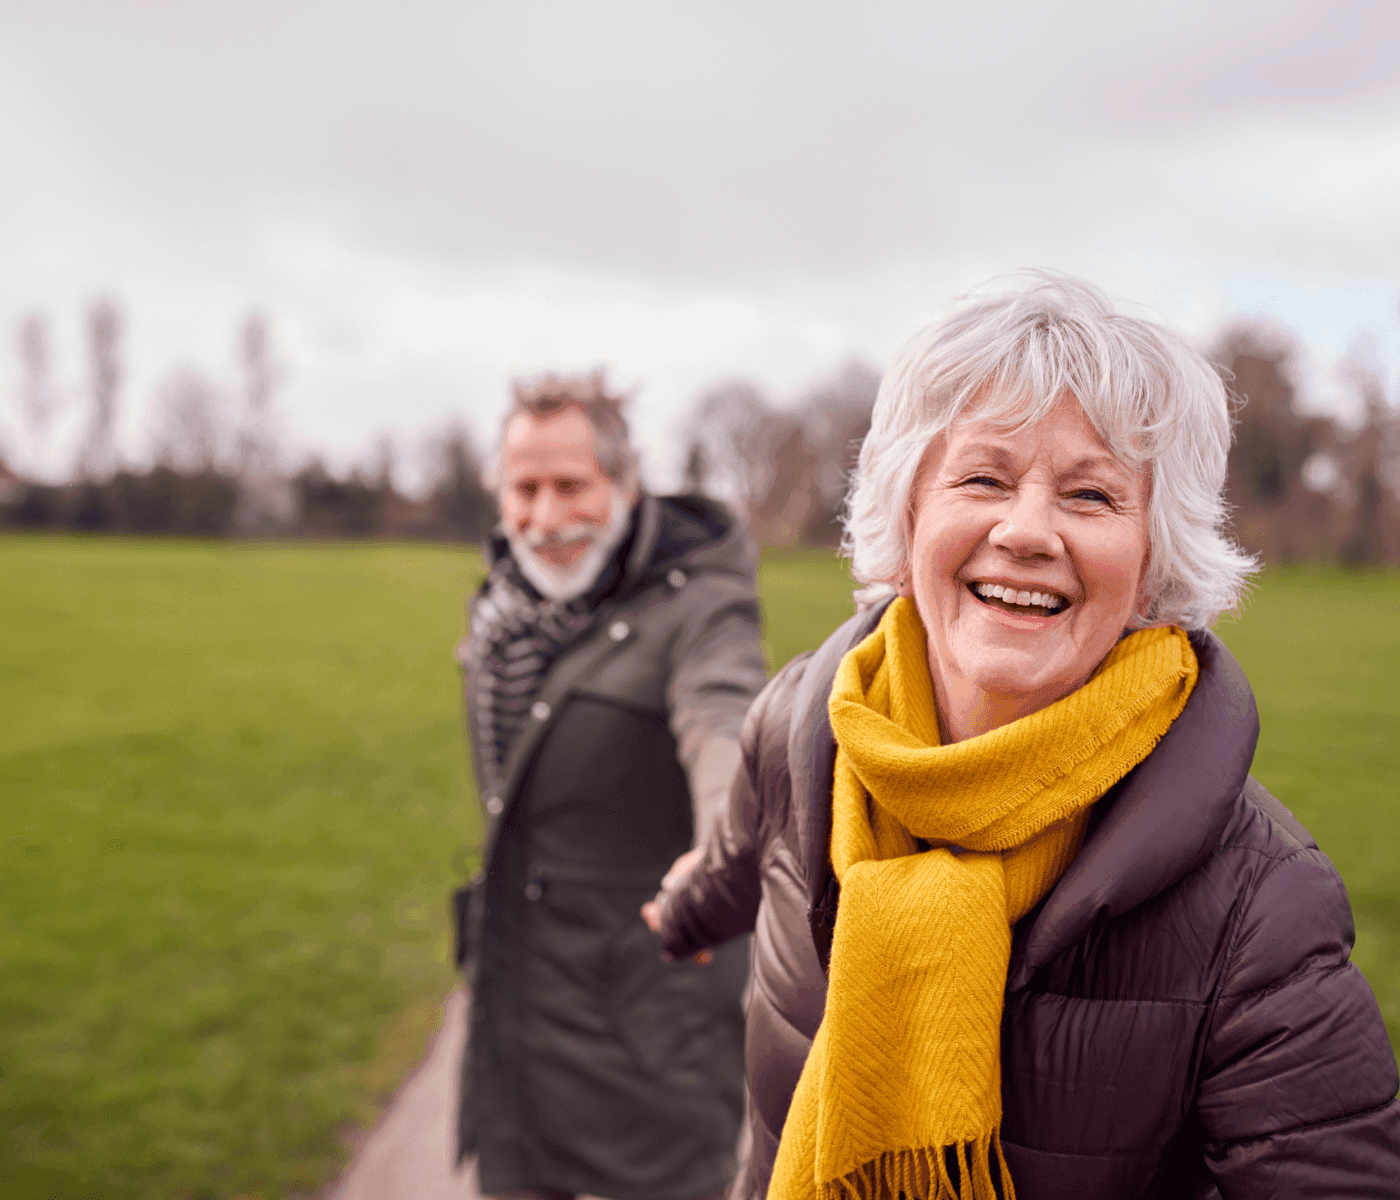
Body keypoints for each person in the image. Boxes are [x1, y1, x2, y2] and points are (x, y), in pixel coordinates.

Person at [647, 276, 1400, 1199]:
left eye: (1091, 496)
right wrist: (680, 915)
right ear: (909, 512)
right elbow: (737, 862)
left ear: (1154, 555)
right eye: (982, 478)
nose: (1028, 531)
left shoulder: (1260, 904)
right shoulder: (798, 728)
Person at [454, 370, 767, 1200]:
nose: (546, 517)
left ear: (625, 485)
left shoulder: (704, 608)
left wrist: (721, 844)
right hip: (515, 1021)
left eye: (571, 486)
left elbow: (722, 721)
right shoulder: (504, 608)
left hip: (642, 1039)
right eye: (524, 488)